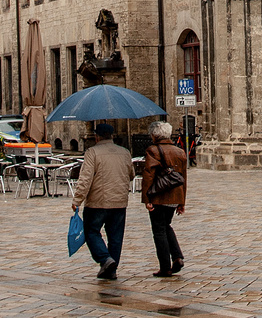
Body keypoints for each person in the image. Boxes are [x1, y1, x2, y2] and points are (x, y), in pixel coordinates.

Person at [71, 122, 133, 280]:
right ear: (111, 136)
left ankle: (105, 259)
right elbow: (131, 174)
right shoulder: (124, 152)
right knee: (115, 237)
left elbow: (85, 179)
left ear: (97, 136)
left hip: (97, 202)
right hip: (119, 201)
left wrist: (77, 200)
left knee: (91, 231)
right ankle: (111, 269)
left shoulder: (92, 152)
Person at [141, 120, 188, 277]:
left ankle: (165, 267)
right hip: (175, 196)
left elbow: (149, 175)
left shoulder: (153, 150)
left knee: (159, 230)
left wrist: (146, 198)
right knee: (166, 225)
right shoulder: (179, 151)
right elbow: (183, 178)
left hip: (159, 196)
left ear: (154, 135)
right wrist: (182, 201)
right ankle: (177, 257)